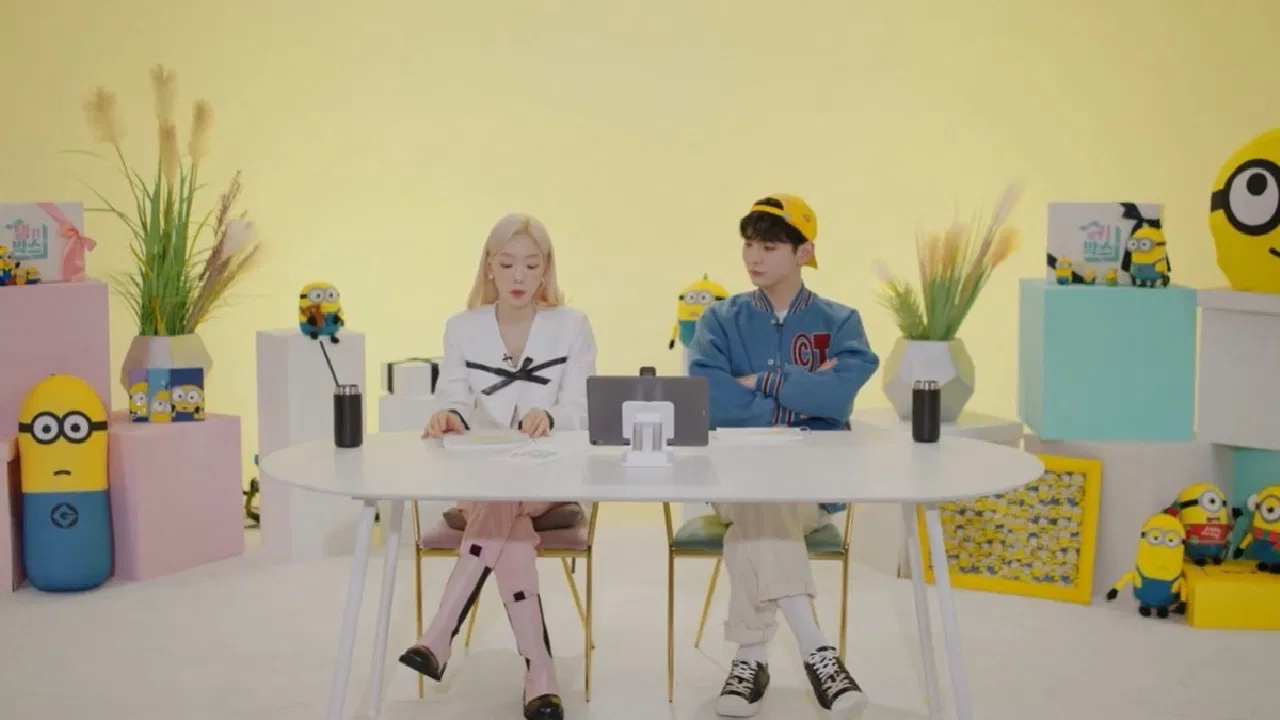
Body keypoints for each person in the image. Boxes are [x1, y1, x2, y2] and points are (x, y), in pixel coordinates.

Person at [687, 193, 880, 719]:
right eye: (749, 244)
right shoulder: (719, 320)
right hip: (733, 479)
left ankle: (749, 657)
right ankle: (817, 649)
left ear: (804, 252)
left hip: (811, 484)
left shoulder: (841, 322)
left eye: (769, 247)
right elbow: (710, 399)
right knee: (757, 501)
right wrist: (800, 398)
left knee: (752, 526)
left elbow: (839, 397)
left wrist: (764, 382)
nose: (753, 257)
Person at [398, 212, 597, 720]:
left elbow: (583, 407)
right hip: (482, 475)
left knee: (502, 503)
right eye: (507, 264)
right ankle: (540, 674)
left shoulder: (572, 326)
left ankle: (439, 633)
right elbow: (453, 397)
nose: (518, 276)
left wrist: (551, 415)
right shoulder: (461, 328)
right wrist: (447, 415)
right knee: (509, 525)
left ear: (546, 267)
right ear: (488, 265)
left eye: (531, 264)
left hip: (549, 474)